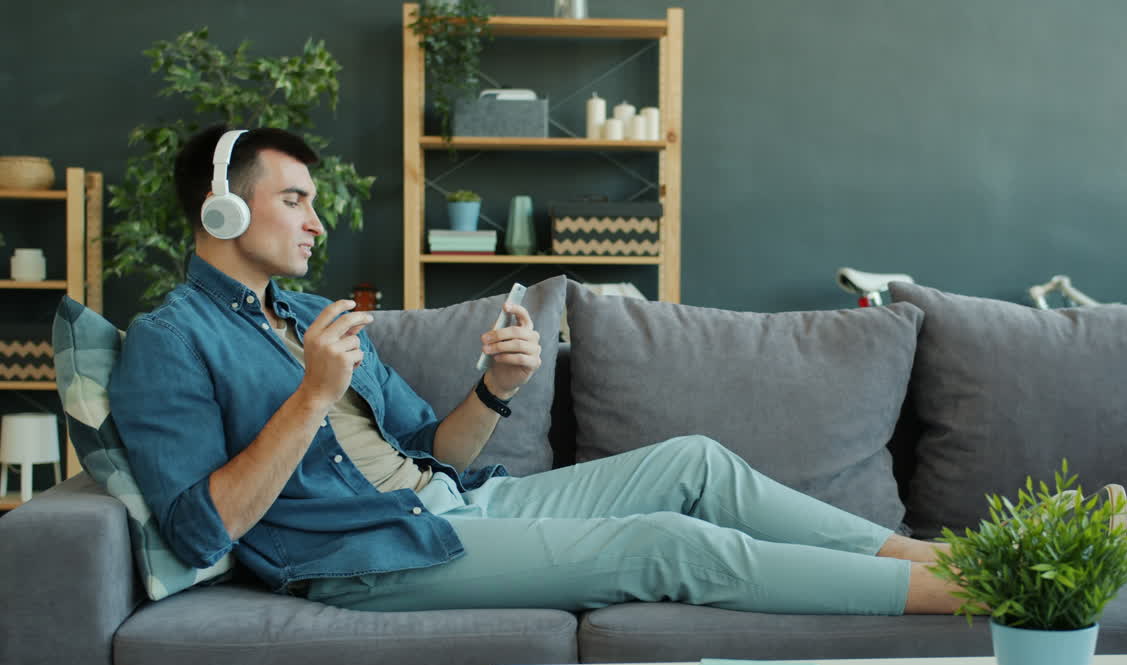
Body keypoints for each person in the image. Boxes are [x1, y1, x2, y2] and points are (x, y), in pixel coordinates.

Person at [109, 124, 967, 616]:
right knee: (664, 545)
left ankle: (932, 561)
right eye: (294, 200)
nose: (317, 224)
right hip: (366, 554)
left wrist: (496, 388)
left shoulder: (309, 315)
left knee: (694, 462)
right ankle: (972, 598)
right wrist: (310, 398)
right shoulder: (166, 341)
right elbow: (198, 530)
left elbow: (425, 443)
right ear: (222, 208)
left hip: (450, 499)